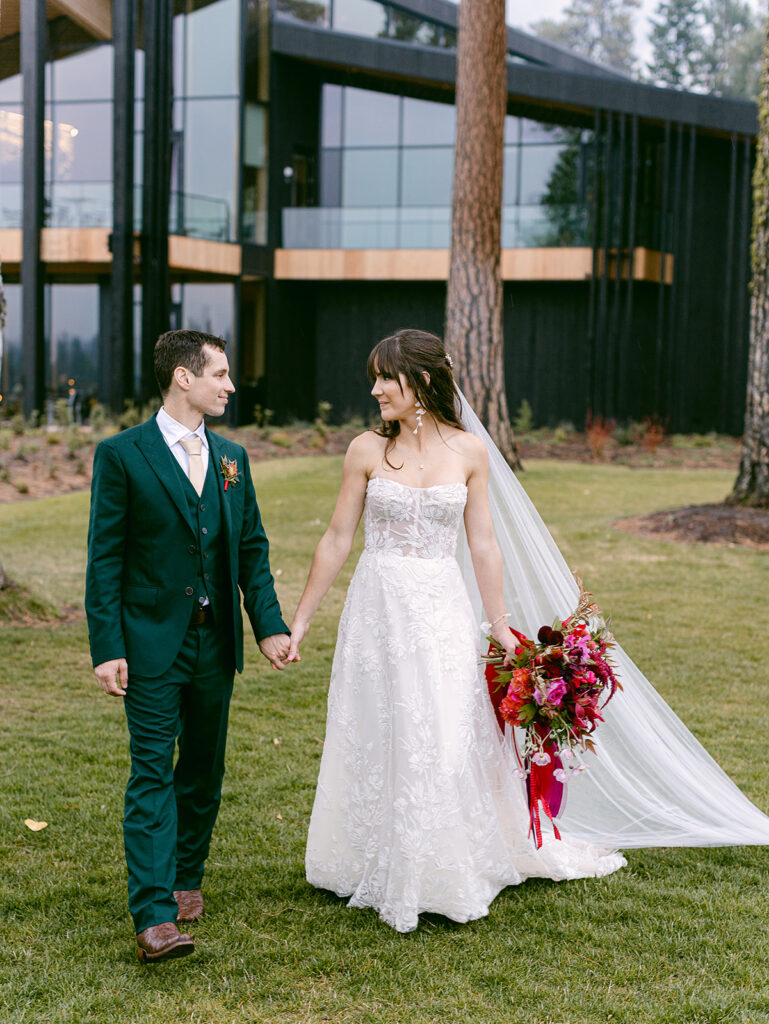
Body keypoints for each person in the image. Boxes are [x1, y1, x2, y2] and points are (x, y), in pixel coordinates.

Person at [286, 329, 626, 933]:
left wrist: (500, 628)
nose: (374, 389)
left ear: (418, 382)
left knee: (442, 727)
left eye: (384, 377)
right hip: (377, 609)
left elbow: (483, 542)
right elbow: (338, 537)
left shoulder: (470, 451)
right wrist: (303, 619)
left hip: (441, 607)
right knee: (376, 724)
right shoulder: (365, 449)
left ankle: (441, 864)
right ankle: (368, 855)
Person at [85, 329, 290, 962]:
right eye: (221, 374)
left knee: (203, 768)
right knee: (152, 771)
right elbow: (105, 559)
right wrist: (107, 646)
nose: (230, 385)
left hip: (215, 643)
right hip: (149, 644)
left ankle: (184, 874)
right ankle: (153, 916)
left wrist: (270, 624)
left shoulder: (232, 457)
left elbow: (249, 548)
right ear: (183, 377)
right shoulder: (122, 454)